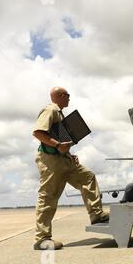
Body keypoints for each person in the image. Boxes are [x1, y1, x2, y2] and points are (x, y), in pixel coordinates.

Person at [32, 87, 109, 250]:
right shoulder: (50, 109)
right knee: (48, 197)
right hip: (51, 161)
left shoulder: (59, 113)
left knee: (87, 177)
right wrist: (59, 145)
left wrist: (69, 153)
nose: (69, 99)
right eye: (68, 96)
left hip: (63, 159)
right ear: (60, 96)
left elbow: (57, 138)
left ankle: (97, 215)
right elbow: (38, 132)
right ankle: (42, 239)